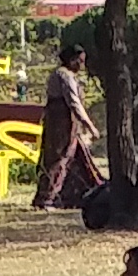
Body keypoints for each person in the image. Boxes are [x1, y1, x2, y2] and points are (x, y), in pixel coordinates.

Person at [31, 53, 98, 211]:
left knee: (65, 159)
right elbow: (74, 103)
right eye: (80, 61)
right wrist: (89, 126)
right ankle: (48, 198)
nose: (82, 65)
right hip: (61, 123)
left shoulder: (61, 74)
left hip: (62, 122)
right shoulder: (64, 75)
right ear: (72, 59)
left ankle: (58, 196)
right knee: (58, 159)